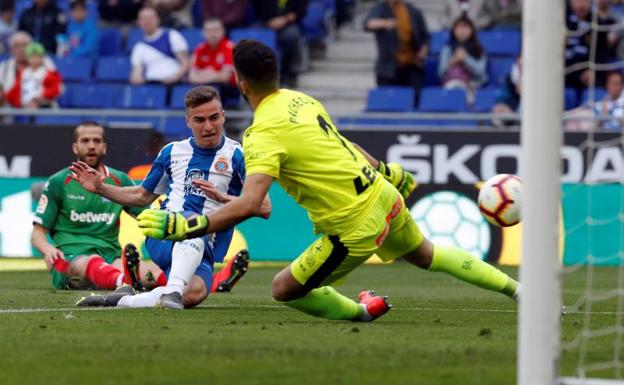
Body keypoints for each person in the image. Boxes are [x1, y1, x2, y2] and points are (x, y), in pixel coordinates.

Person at [136, 40, 520, 322]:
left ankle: (362, 312)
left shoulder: (262, 133)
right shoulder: (301, 100)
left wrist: (188, 225)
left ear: (240, 84)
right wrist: (386, 171)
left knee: (284, 289)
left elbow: (253, 202)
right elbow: (344, 144)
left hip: (352, 225)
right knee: (426, 254)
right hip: (381, 193)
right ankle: (518, 289)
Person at [70, 86, 268, 309]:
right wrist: (101, 188)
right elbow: (141, 195)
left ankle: (122, 300)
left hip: (206, 246)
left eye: (214, 118)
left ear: (223, 116)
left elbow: (263, 207)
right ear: (188, 122)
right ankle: (173, 291)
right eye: (199, 120)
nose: (208, 126)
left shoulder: (238, 155)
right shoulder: (172, 152)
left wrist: (222, 198)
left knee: (193, 293)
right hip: (165, 232)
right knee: (192, 224)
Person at [32, 121, 166, 291]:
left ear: (104, 147)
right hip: (72, 258)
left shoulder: (120, 180)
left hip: (111, 257)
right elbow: (37, 234)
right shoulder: (58, 182)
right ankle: (124, 282)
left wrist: (168, 225)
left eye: (96, 141)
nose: (91, 146)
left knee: (148, 274)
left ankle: (191, 284)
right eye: (85, 141)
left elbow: (146, 217)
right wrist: (47, 248)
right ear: (75, 147)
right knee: (89, 262)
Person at [364, 0, 429, 108]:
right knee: (388, 104)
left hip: (412, 65)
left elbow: (425, 37)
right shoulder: (381, 8)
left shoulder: (413, 11)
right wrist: (385, 23)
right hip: (388, 67)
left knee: (415, 100)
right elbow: (367, 24)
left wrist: (424, 50)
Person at [251, 0, 308, 87]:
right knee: (253, 35)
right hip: (265, 21)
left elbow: (299, 12)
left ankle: (288, 73)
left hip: (288, 23)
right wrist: (269, 21)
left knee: (291, 35)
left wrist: (284, 19)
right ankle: (255, 76)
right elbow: (257, 8)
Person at [130, 7, 189, 85]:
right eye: (144, 19)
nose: (147, 21)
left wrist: (175, 77)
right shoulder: (139, 47)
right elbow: (136, 72)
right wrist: (136, 79)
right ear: (139, 22)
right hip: (151, 84)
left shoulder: (171, 35)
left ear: (158, 19)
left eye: (150, 18)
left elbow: (185, 63)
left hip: (173, 83)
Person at [438, 16, 487, 104]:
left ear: (471, 30)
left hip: (471, 87)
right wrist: (453, 61)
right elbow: (441, 74)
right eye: (459, 27)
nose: (462, 31)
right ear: (454, 30)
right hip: (450, 86)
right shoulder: (447, 49)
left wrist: (465, 59)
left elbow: (481, 74)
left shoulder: (479, 49)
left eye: (465, 27)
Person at [189, 18, 239, 102]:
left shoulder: (229, 48)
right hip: (205, 87)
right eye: (209, 31)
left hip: (229, 89)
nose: (213, 34)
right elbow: (192, 76)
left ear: (223, 31)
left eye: (216, 30)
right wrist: (214, 73)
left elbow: (225, 77)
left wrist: (204, 73)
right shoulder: (200, 48)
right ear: (203, 33)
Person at [0, 31, 55, 107]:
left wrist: (40, 99)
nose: (20, 49)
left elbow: (58, 87)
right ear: (11, 50)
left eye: (24, 45)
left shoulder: (45, 62)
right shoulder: (4, 67)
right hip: (11, 107)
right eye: (16, 46)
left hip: (42, 106)